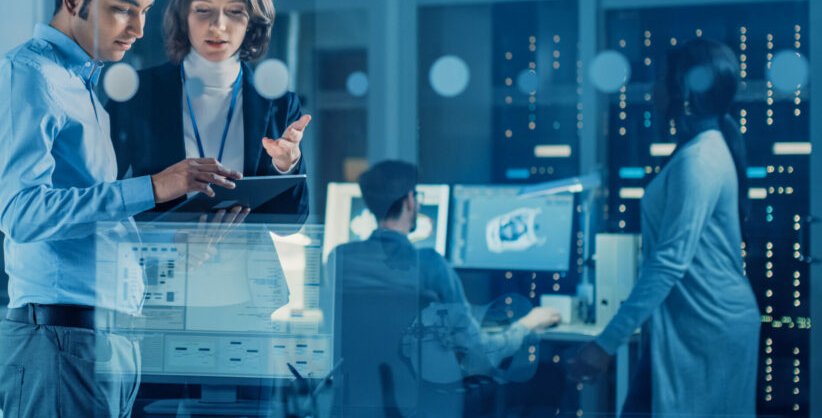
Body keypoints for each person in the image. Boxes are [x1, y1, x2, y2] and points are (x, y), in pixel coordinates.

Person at [0, 0, 243, 417]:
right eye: (123, 7)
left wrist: (171, 259)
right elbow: (21, 212)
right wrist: (156, 187)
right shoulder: (27, 76)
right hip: (59, 342)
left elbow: (90, 233)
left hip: (101, 342)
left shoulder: (82, 88)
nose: (138, 28)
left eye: (144, 10)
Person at [569, 37, 760, 417]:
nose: (652, 89)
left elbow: (669, 261)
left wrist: (606, 344)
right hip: (692, 323)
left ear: (685, 89)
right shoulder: (699, 149)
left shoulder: (701, 159)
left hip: (708, 327)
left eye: (659, 78)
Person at [323, 160, 560, 417]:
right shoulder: (430, 265)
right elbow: (479, 354)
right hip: (422, 407)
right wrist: (528, 324)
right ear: (410, 201)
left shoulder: (339, 259)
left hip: (355, 407)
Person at [108, 0, 311, 222]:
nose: (218, 25)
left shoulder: (279, 104)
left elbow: (291, 223)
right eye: (203, 10)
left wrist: (287, 165)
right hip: (164, 261)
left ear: (251, 21)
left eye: (235, 12)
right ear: (184, 16)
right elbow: (101, 199)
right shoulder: (139, 94)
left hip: (246, 264)